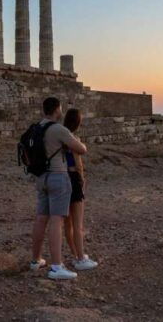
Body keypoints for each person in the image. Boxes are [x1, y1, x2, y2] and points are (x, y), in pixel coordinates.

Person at [30, 97, 88, 280]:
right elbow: (81, 149)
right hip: (57, 177)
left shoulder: (37, 128)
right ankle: (56, 266)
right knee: (57, 221)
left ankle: (35, 260)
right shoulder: (58, 129)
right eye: (60, 109)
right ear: (57, 110)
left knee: (41, 219)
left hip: (41, 177)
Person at [60, 108, 98, 272]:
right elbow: (79, 162)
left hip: (61, 178)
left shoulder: (59, 138)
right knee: (78, 223)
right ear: (77, 123)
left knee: (67, 224)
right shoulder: (73, 139)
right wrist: (82, 181)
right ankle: (81, 259)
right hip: (73, 179)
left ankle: (76, 254)